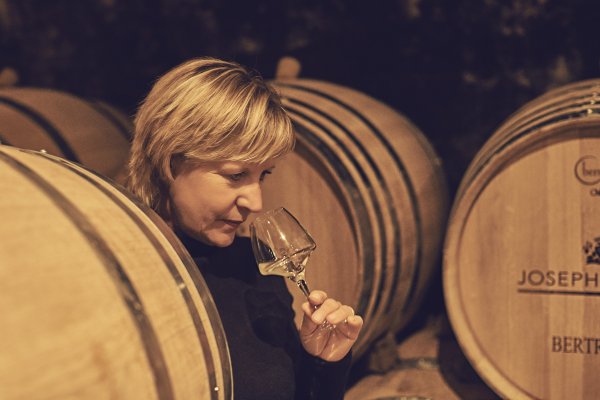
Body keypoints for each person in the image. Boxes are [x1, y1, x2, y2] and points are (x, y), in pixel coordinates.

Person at [125, 57, 364, 399]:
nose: (255, 202)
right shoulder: (122, 277)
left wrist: (323, 362)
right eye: (236, 175)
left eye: (263, 175)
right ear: (170, 160)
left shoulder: (256, 271)